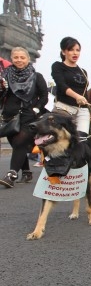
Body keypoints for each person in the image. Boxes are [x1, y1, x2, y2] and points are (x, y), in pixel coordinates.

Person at [0, 47, 48, 188]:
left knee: (20, 142)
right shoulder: (5, 75)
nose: (19, 60)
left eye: (22, 57)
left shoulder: (36, 76)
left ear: (27, 59)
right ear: (12, 59)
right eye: (16, 57)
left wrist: (36, 108)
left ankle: (11, 175)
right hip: (9, 116)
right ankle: (26, 172)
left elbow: (44, 96)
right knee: (16, 145)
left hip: (29, 116)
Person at [51, 36, 90, 141]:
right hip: (64, 109)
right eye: (71, 50)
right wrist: (76, 96)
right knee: (61, 141)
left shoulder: (83, 71)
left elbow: (85, 92)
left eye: (77, 50)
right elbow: (62, 85)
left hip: (82, 111)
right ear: (64, 52)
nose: (75, 53)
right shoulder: (57, 66)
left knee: (81, 141)